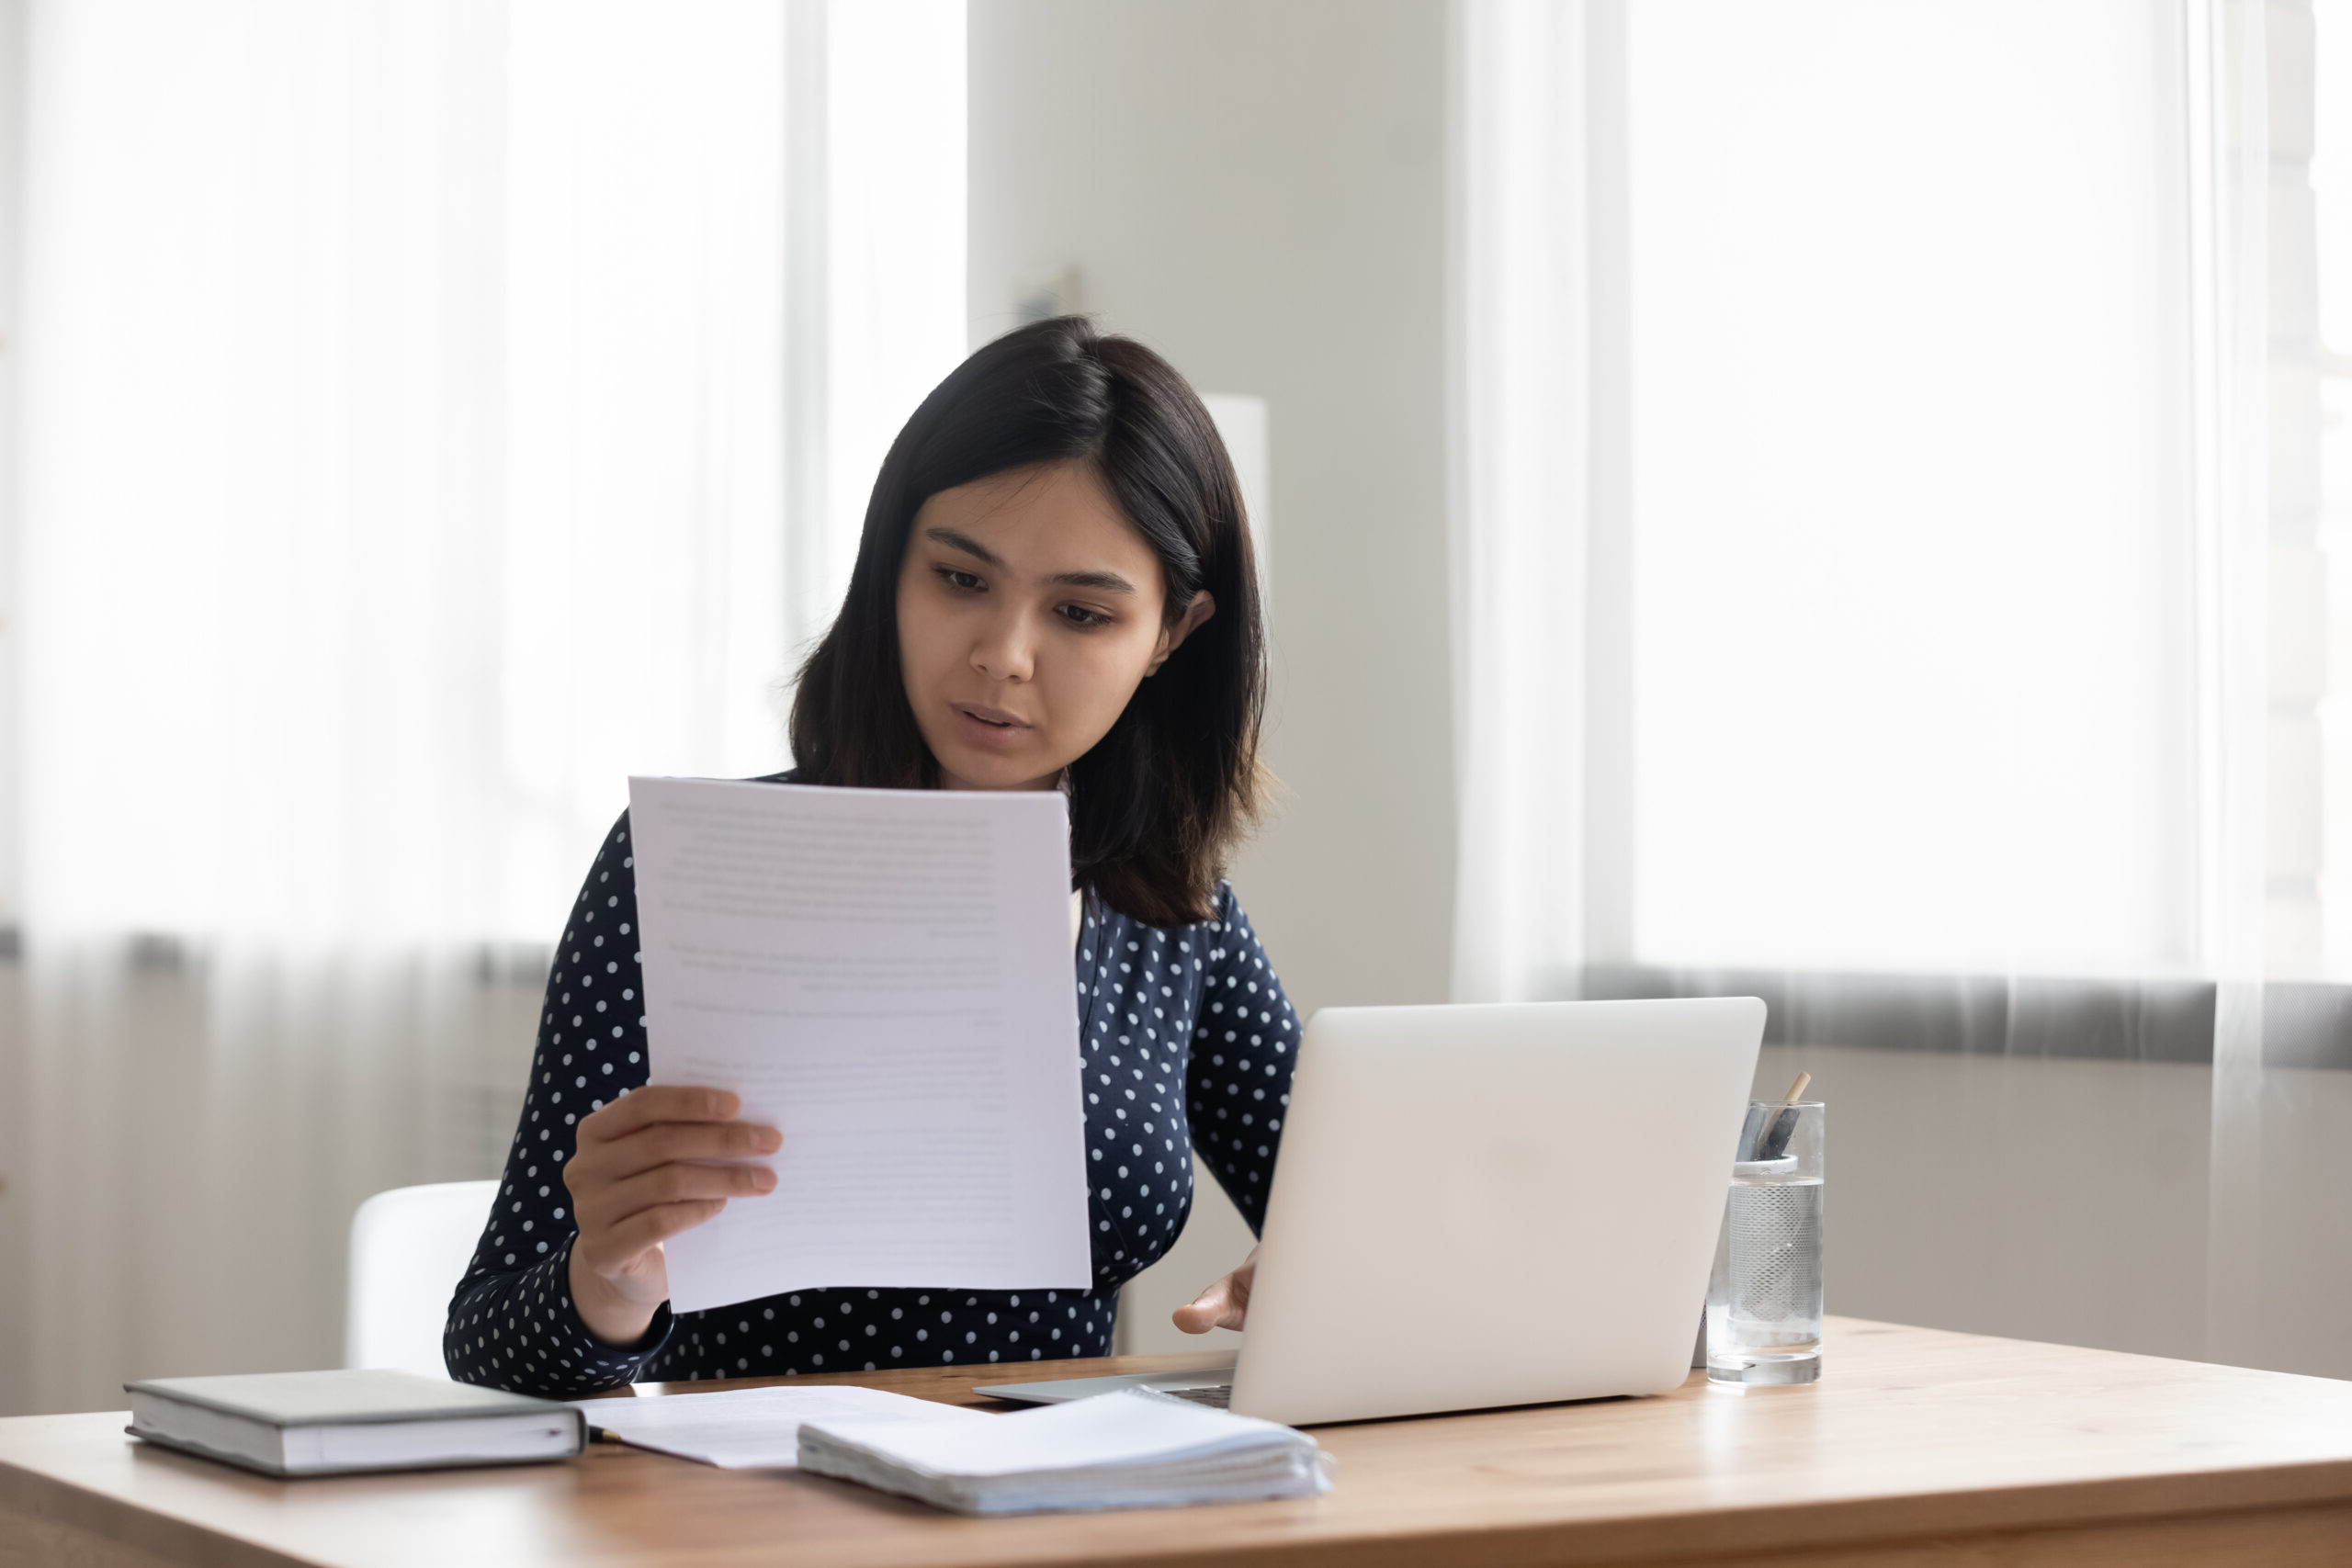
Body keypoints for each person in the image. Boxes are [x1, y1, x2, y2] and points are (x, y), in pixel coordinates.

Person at [445, 318, 1300, 1394]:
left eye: (1081, 612)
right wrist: (606, 1288)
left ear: (1172, 634)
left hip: (1062, 1511)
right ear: (892, 569)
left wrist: (1320, 1286)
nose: (1004, 656)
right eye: (958, 580)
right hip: (751, 1517)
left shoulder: (1173, 915)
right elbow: (486, 1346)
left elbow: (1358, 1222)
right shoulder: (694, 874)